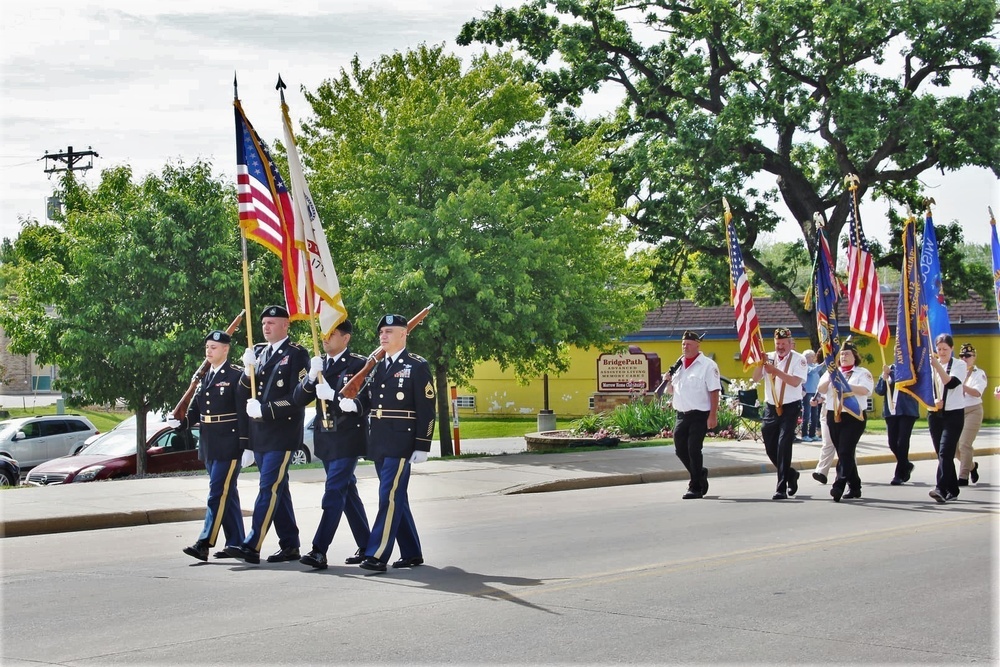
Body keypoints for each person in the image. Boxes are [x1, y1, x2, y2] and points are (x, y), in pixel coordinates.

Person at [339, 313, 435, 572]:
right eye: (381, 331)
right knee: (396, 497)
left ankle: (377, 553)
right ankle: (412, 552)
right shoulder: (377, 365)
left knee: (388, 497)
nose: (383, 335)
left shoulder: (416, 365)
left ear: (404, 333)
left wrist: (422, 444)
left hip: (403, 441)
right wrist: (354, 404)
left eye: (389, 331)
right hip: (380, 440)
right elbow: (370, 400)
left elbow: (427, 410)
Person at [226, 305, 310, 564]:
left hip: (282, 433)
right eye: (264, 323)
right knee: (279, 490)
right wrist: (245, 370)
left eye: (272, 323)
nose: (266, 327)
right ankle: (290, 545)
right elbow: (243, 393)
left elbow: (299, 397)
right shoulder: (259, 352)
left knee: (268, 488)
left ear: (286, 325)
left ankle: (252, 544)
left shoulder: (297, 354)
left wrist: (266, 409)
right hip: (260, 434)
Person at [292, 319, 372, 570]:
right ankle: (368, 545)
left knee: (334, 490)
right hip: (325, 439)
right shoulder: (319, 366)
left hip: (348, 438)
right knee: (347, 492)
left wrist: (335, 397)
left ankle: (319, 549)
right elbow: (298, 399)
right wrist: (308, 380)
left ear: (346, 338)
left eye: (331, 334)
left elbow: (366, 401)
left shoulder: (359, 365)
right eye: (323, 334)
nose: (325, 338)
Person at [181, 330, 249, 562]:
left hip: (229, 443)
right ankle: (237, 543)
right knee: (227, 494)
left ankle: (204, 542)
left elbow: (243, 412)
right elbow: (198, 409)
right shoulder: (204, 376)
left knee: (216, 492)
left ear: (226, 350)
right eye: (207, 347)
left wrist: (246, 445)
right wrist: (183, 420)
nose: (209, 351)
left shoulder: (236, 375)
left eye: (214, 347)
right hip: (209, 441)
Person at [752, 327, 807, 499]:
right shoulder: (768, 357)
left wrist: (775, 371)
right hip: (771, 406)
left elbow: (795, 382)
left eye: (784, 343)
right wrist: (760, 364)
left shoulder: (799, 360)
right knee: (770, 445)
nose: (780, 347)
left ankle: (781, 487)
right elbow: (755, 378)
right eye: (778, 344)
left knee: (784, 445)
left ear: (791, 344)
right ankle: (790, 474)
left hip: (790, 406)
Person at [665, 330, 720, 499]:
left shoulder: (707, 365)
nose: (685, 347)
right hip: (681, 414)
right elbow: (671, 391)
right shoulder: (679, 365)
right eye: (683, 344)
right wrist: (668, 380)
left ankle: (695, 486)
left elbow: (714, 391)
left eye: (688, 344)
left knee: (694, 449)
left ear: (697, 345)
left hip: (700, 414)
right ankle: (699, 473)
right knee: (680, 450)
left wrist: (713, 415)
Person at [817, 340, 873, 502]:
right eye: (841, 354)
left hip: (854, 416)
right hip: (833, 414)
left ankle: (839, 485)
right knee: (844, 451)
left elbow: (865, 390)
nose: (843, 357)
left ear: (855, 356)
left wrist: (845, 385)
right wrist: (832, 378)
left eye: (847, 354)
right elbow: (820, 389)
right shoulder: (831, 372)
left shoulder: (862, 373)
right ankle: (855, 486)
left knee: (845, 451)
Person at [927, 333, 965, 504]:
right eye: (939, 349)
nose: (941, 352)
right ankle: (953, 488)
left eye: (945, 349)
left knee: (945, 451)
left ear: (952, 349)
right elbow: (925, 388)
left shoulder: (959, 364)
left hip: (953, 414)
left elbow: (950, 383)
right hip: (935, 413)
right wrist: (933, 401)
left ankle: (940, 489)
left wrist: (938, 366)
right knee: (942, 454)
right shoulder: (929, 365)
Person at [874, 362, 919, 485]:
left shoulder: (912, 369)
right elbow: (879, 390)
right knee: (892, 442)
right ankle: (906, 464)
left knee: (902, 442)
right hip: (891, 410)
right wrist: (884, 377)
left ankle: (899, 474)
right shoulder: (889, 369)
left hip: (907, 409)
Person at [955, 343, 986, 486]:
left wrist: (962, 386)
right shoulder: (956, 371)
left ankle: (963, 477)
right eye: (962, 355)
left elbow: (977, 392)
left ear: (974, 357)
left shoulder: (979, 373)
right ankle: (972, 466)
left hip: (973, 410)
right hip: (957, 410)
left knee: (964, 443)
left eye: (968, 356)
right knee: (954, 447)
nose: (964, 358)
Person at [800, 350, 824, 442]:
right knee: (806, 414)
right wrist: (823, 363)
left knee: (815, 414)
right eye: (811, 356)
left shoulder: (814, 365)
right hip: (808, 393)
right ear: (806, 358)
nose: (813, 358)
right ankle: (804, 435)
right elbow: (813, 371)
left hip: (815, 392)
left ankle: (812, 434)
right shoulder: (805, 366)